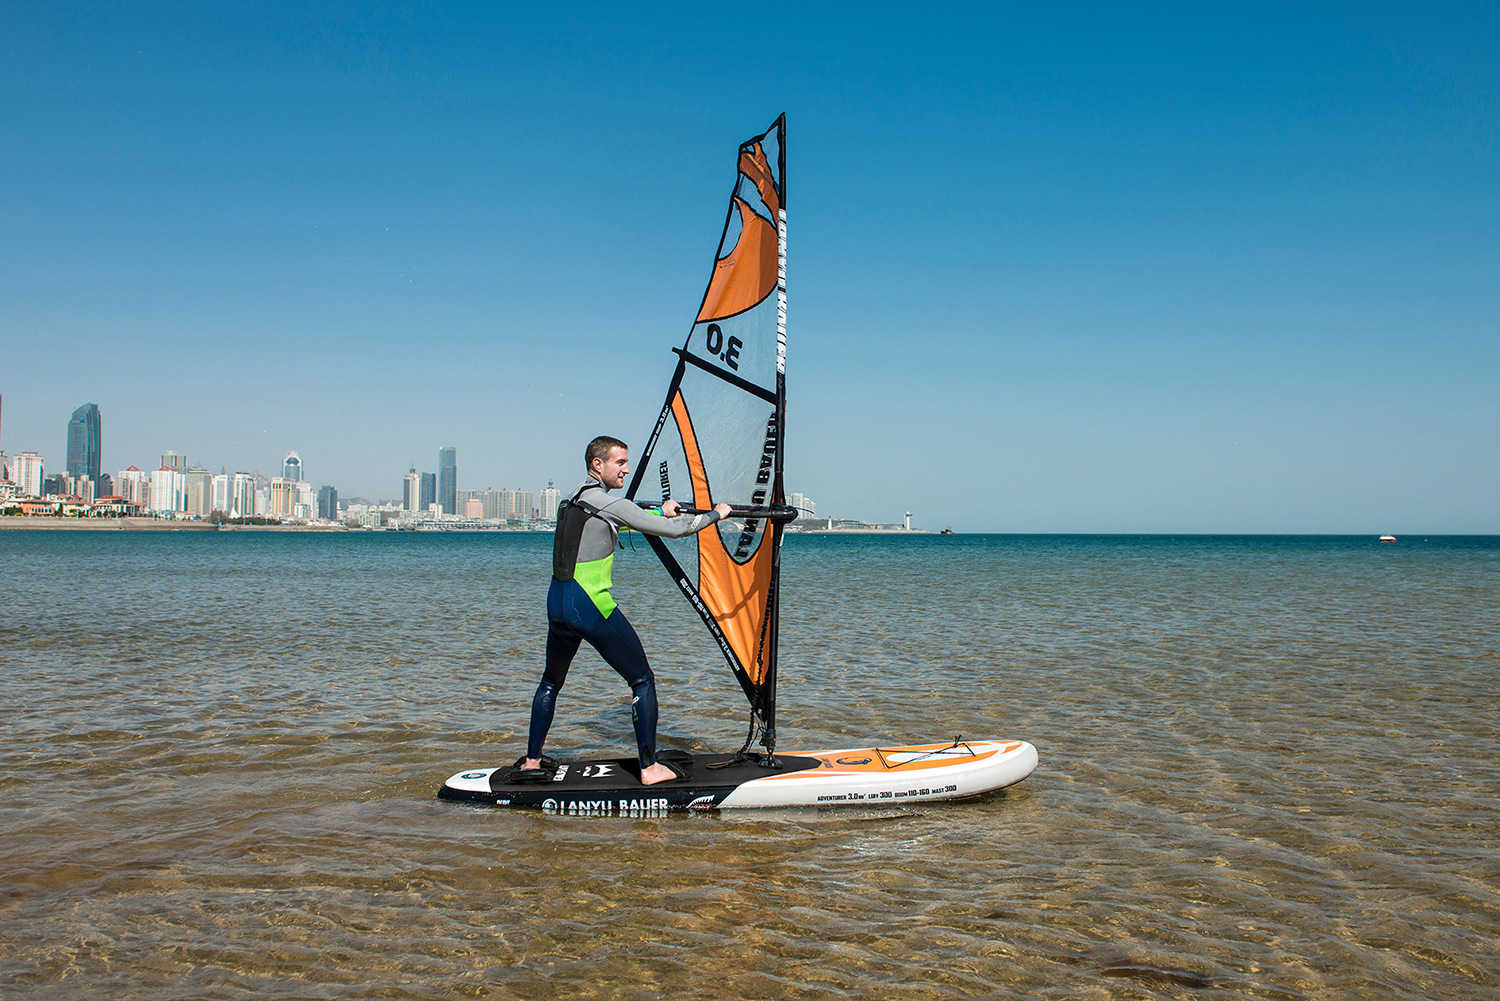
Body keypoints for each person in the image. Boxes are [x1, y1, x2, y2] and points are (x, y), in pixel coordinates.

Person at [522, 435, 731, 785]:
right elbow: (677, 530)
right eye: (619, 462)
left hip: (557, 605)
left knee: (550, 681)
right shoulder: (608, 502)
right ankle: (649, 768)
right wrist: (717, 514)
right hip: (589, 606)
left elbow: (617, 520)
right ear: (597, 465)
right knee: (642, 679)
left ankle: (531, 761)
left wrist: (655, 511)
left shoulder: (569, 500)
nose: (627, 469)